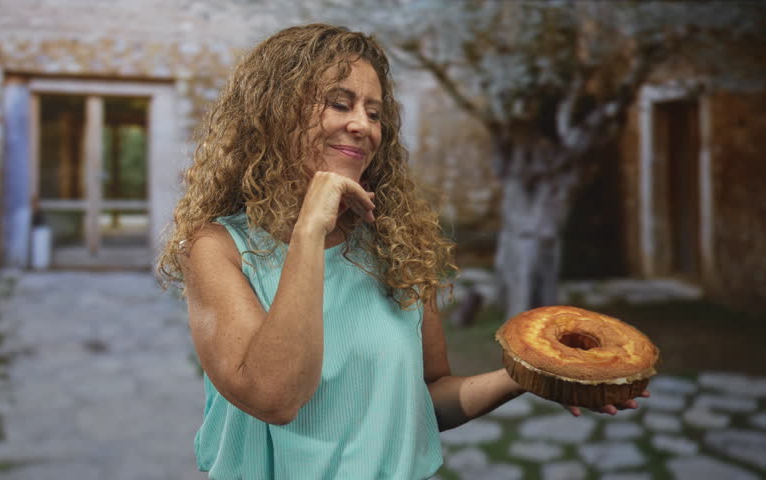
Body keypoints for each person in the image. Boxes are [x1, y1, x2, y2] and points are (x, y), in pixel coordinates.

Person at [157, 23, 646, 479]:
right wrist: (309, 229)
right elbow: (275, 397)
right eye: (339, 102)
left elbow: (426, 400)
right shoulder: (219, 249)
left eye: (373, 113)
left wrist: (529, 375)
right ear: (272, 114)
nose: (362, 126)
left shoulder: (397, 245)